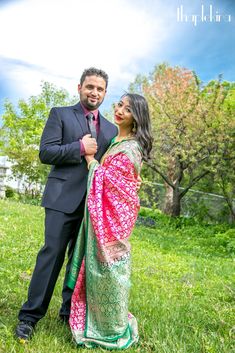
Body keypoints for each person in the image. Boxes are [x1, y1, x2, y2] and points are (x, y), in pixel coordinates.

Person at [15, 67, 119, 341]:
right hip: (62, 201)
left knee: (81, 262)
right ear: (79, 88)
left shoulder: (111, 129)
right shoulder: (60, 114)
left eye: (100, 89)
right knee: (52, 256)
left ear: (105, 93)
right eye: (90, 87)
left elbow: (110, 167)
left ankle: (68, 314)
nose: (94, 92)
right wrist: (79, 148)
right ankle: (29, 317)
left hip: (92, 208)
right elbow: (46, 152)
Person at [67, 93, 153, 349]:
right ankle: (90, 316)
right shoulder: (116, 139)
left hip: (114, 220)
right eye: (119, 105)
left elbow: (116, 184)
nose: (120, 111)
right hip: (102, 214)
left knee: (110, 271)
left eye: (127, 109)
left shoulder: (131, 147)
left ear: (136, 118)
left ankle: (109, 326)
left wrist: (91, 160)